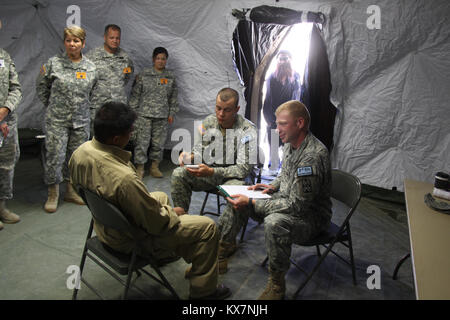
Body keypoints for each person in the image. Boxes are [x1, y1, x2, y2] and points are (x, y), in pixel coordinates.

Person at [69, 101, 231, 300]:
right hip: (128, 239)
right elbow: (156, 223)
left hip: (104, 226)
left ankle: (166, 252)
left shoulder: (80, 153)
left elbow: (83, 190)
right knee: (207, 228)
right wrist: (172, 214)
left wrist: (161, 209)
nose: (132, 134)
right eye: (130, 131)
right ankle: (204, 293)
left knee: (160, 196)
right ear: (117, 139)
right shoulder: (124, 179)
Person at [218, 100, 332, 300]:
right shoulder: (291, 143)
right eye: (277, 124)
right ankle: (224, 248)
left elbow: (298, 206)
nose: (277, 129)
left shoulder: (311, 157)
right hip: (287, 199)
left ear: (300, 123)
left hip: (311, 218)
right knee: (237, 196)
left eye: (282, 124)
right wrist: (273, 186)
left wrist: (253, 202)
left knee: (274, 222)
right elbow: (285, 174)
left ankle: (277, 285)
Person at [36, 25, 97, 213]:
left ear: (83, 43)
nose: (72, 44)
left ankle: (71, 191)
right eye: (69, 40)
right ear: (64, 42)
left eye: (76, 41)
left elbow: (92, 92)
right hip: (57, 120)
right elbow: (41, 88)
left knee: (75, 158)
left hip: (80, 121)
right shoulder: (53, 64)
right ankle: (53, 193)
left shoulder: (91, 67)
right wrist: (54, 107)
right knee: (55, 156)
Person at [171, 87, 257, 216]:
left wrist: (212, 171)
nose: (221, 114)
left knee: (236, 200)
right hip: (211, 173)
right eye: (218, 108)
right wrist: (191, 156)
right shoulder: (209, 122)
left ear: (237, 109)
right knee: (179, 174)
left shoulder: (247, 130)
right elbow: (202, 147)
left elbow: (243, 169)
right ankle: (182, 219)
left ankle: (224, 236)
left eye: (227, 110)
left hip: (235, 178)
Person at [129, 47, 178, 179]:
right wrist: (133, 114)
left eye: (163, 59)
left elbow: (173, 97)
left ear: (166, 60)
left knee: (159, 143)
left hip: (162, 116)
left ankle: (154, 167)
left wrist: (171, 113)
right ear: (153, 59)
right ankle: (140, 168)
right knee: (142, 143)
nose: (161, 61)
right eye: (158, 58)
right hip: (143, 115)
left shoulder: (170, 77)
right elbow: (135, 95)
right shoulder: (144, 75)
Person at [85, 24, 134, 136]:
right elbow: (86, 82)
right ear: (105, 37)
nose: (115, 41)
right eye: (112, 38)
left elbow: (127, 77)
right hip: (98, 106)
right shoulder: (92, 57)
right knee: (96, 139)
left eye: (117, 38)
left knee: (116, 138)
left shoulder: (125, 58)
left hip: (118, 107)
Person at [263, 50, 301, 171]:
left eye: (285, 58)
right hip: (274, 120)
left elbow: (297, 98)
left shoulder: (296, 77)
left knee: (288, 154)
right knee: (273, 157)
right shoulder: (271, 78)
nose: (283, 61)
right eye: (280, 59)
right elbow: (267, 99)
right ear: (277, 61)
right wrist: (269, 120)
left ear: (290, 60)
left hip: (289, 120)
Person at [0, 48, 22, 230]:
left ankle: (2, 208)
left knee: (7, 166)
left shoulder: (4, 56)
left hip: (7, 122)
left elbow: (15, 88)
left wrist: (5, 109)